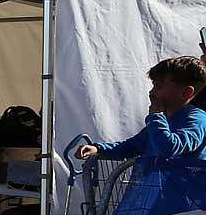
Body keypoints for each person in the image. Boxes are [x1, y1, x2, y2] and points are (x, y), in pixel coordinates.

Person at [75, 56, 206, 171]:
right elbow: (131, 146)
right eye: (153, 85)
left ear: (186, 93)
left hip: (185, 191)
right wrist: (98, 148)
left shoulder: (197, 120)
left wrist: (156, 116)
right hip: (157, 190)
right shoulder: (163, 120)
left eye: (159, 87)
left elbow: (168, 148)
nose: (151, 92)